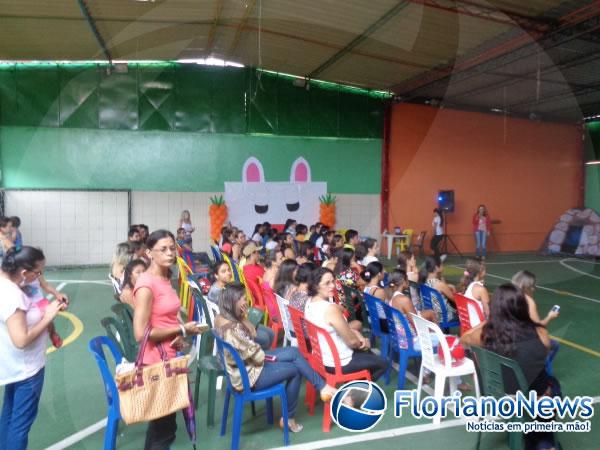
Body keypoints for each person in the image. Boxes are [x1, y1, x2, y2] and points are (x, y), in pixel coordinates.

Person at [214, 283, 337, 433]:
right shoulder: (233, 329)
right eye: (241, 298)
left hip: (244, 367)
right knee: (295, 369)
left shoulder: (221, 318)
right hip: (250, 377)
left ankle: (322, 387)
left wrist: (243, 318)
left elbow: (252, 346)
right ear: (230, 302)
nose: (245, 301)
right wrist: (246, 322)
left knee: (293, 352)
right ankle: (289, 418)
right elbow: (257, 352)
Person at [133, 229, 206, 450]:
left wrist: (177, 335)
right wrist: (182, 329)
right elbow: (141, 333)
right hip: (156, 361)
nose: (170, 253)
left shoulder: (165, 277)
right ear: (149, 253)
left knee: (159, 426)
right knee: (165, 430)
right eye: (163, 249)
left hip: (169, 355)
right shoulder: (147, 284)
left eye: (172, 248)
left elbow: (163, 320)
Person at [462, 284, 557, 450]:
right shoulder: (540, 334)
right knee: (553, 386)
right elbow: (546, 349)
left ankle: (537, 440)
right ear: (522, 308)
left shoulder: (485, 335)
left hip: (497, 394)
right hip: (531, 396)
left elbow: (464, 339)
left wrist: (489, 321)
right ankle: (541, 441)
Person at [0, 246, 67, 450]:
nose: (40, 277)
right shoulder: (13, 295)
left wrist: (50, 324)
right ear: (23, 272)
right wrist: (48, 316)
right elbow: (21, 339)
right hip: (26, 368)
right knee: (21, 424)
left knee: (10, 415)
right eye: (37, 272)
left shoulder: (9, 283)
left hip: (13, 366)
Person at [304, 268, 388, 381]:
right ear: (315, 286)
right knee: (382, 363)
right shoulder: (330, 309)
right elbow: (352, 342)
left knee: (368, 354)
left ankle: (355, 385)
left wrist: (356, 335)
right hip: (338, 363)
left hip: (321, 358)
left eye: (333, 281)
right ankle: (352, 396)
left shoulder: (309, 302)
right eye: (327, 283)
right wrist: (363, 343)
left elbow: (340, 327)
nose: (333, 286)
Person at [207, 260, 274, 350]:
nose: (228, 273)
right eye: (223, 272)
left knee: (271, 333)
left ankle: (263, 355)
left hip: (235, 320)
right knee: (265, 338)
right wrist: (244, 313)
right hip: (231, 326)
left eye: (229, 270)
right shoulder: (218, 292)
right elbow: (235, 313)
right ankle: (259, 357)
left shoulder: (223, 287)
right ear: (216, 275)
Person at [419, 256, 457, 321]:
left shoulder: (424, 282)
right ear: (436, 268)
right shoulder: (439, 284)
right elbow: (455, 299)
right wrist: (454, 290)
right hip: (442, 317)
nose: (443, 266)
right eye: (442, 264)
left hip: (429, 312)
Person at [458, 258, 490, 324]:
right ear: (480, 271)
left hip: (466, 323)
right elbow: (488, 313)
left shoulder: (465, 285)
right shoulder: (481, 289)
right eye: (485, 269)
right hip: (478, 325)